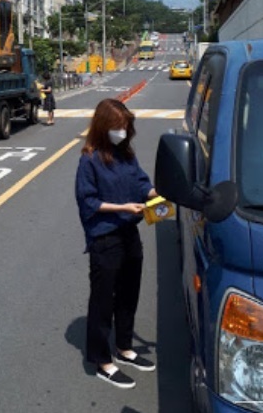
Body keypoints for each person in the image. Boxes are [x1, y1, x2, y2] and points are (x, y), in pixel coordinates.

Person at [75, 98, 158, 389]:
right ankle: (102, 361)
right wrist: (123, 207)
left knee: (128, 293)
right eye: (118, 127)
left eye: (126, 127)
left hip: (129, 233)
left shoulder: (126, 155)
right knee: (102, 300)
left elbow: (141, 183)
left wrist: (157, 193)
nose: (122, 132)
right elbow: (88, 201)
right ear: (103, 126)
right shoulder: (89, 160)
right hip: (105, 238)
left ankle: (124, 347)